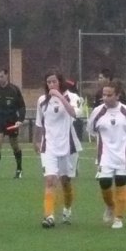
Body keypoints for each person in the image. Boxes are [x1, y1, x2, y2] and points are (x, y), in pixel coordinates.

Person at [87, 80, 126, 229]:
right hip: (105, 155)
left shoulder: (125, 111)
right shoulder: (98, 111)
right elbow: (90, 129)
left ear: (117, 95)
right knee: (105, 183)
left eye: (109, 95)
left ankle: (118, 218)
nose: (106, 98)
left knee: (121, 183)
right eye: (104, 94)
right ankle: (110, 206)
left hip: (124, 154)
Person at [34, 69, 82, 229]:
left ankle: (67, 209)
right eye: (49, 82)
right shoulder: (42, 100)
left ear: (60, 82)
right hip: (49, 146)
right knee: (50, 180)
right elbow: (39, 122)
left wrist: (60, 96)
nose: (52, 85)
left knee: (66, 181)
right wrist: (37, 140)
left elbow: (75, 113)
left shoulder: (72, 97)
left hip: (68, 146)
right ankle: (49, 216)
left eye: (54, 81)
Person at [0, 68, 26, 180]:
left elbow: (22, 106)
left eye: (1, 76)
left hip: (11, 121)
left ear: (6, 75)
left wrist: (20, 119)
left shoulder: (14, 90)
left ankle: (19, 169)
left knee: (15, 145)